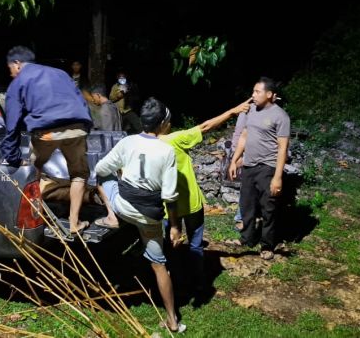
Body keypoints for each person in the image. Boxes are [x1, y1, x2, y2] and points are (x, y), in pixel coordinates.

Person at [95, 97, 185, 334]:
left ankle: (111, 216)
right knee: (159, 265)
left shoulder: (127, 142)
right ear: (163, 124)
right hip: (149, 218)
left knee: (101, 178)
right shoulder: (167, 151)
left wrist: (124, 174)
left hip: (123, 206)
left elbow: (102, 169)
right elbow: (170, 196)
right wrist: (175, 227)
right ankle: (173, 320)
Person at [156, 98, 251, 296]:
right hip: (190, 202)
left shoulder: (141, 144)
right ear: (164, 124)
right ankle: (198, 283)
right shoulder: (175, 139)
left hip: (167, 206)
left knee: (171, 246)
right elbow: (206, 126)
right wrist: (232, 111)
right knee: (196, 245)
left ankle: (176, 282)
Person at [0, 46, 93, 234]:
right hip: (77, 128)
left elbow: (12, 123)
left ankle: (36, 213)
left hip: (46, 132)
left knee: (33, 171)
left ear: (17, 64)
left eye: (10, 69)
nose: (11, 74)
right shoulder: (60, 73)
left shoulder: (19, 82)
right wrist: (86, 128)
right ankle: (74, 223)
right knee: (79, 175)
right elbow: (81, 102)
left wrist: (11, 155)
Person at [228, 77, 290, 260]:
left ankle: (267, 245)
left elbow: (282, 148)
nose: (253, 95)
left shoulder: (281, 116)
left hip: (267, 167)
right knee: (246, 204)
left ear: (269, 94)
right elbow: (244, 136)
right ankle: (247, 238)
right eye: (253, 91)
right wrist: (235, 160)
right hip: (249, 165)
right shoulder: (252, 110)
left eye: (257, 92)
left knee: (268, 209)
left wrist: (277, 176)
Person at [109, 70, 142, 134]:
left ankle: (143, 137)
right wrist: (118, 96)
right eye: (120, 77)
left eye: (123, 77)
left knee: (138, 124)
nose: (122, 78)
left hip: (128, 110)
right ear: (117, 78)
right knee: (120, 128)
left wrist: (130, 92)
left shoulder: (130, 85)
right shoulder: (115, 87)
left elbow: (136, 96)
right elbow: (111, 99)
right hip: (118, 112)